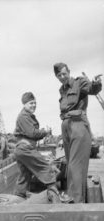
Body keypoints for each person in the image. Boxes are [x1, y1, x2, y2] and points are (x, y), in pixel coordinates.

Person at [53, 62, 102, 203]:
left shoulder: (79, 82)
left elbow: (92, 89)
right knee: (70, 164)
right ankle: (73, 195)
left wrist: (97, 83)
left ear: (68, 71)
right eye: (59, 75)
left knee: (76, 164)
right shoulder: (61, 89)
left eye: (64, 73)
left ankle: (75, 199)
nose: (62, 77)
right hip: (66, 125)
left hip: (78, 124)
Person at [14, 92, 60, 201]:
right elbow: (32, 133)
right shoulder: (23, 116)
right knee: (46, 167)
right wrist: (45, 132)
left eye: (35, 103)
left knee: (24, 175)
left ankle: (18, 198)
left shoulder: (27, 115)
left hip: (22, 149)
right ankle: (55, 197)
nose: (34, 105)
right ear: (24, 104)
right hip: (25, 149)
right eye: (31, 103)